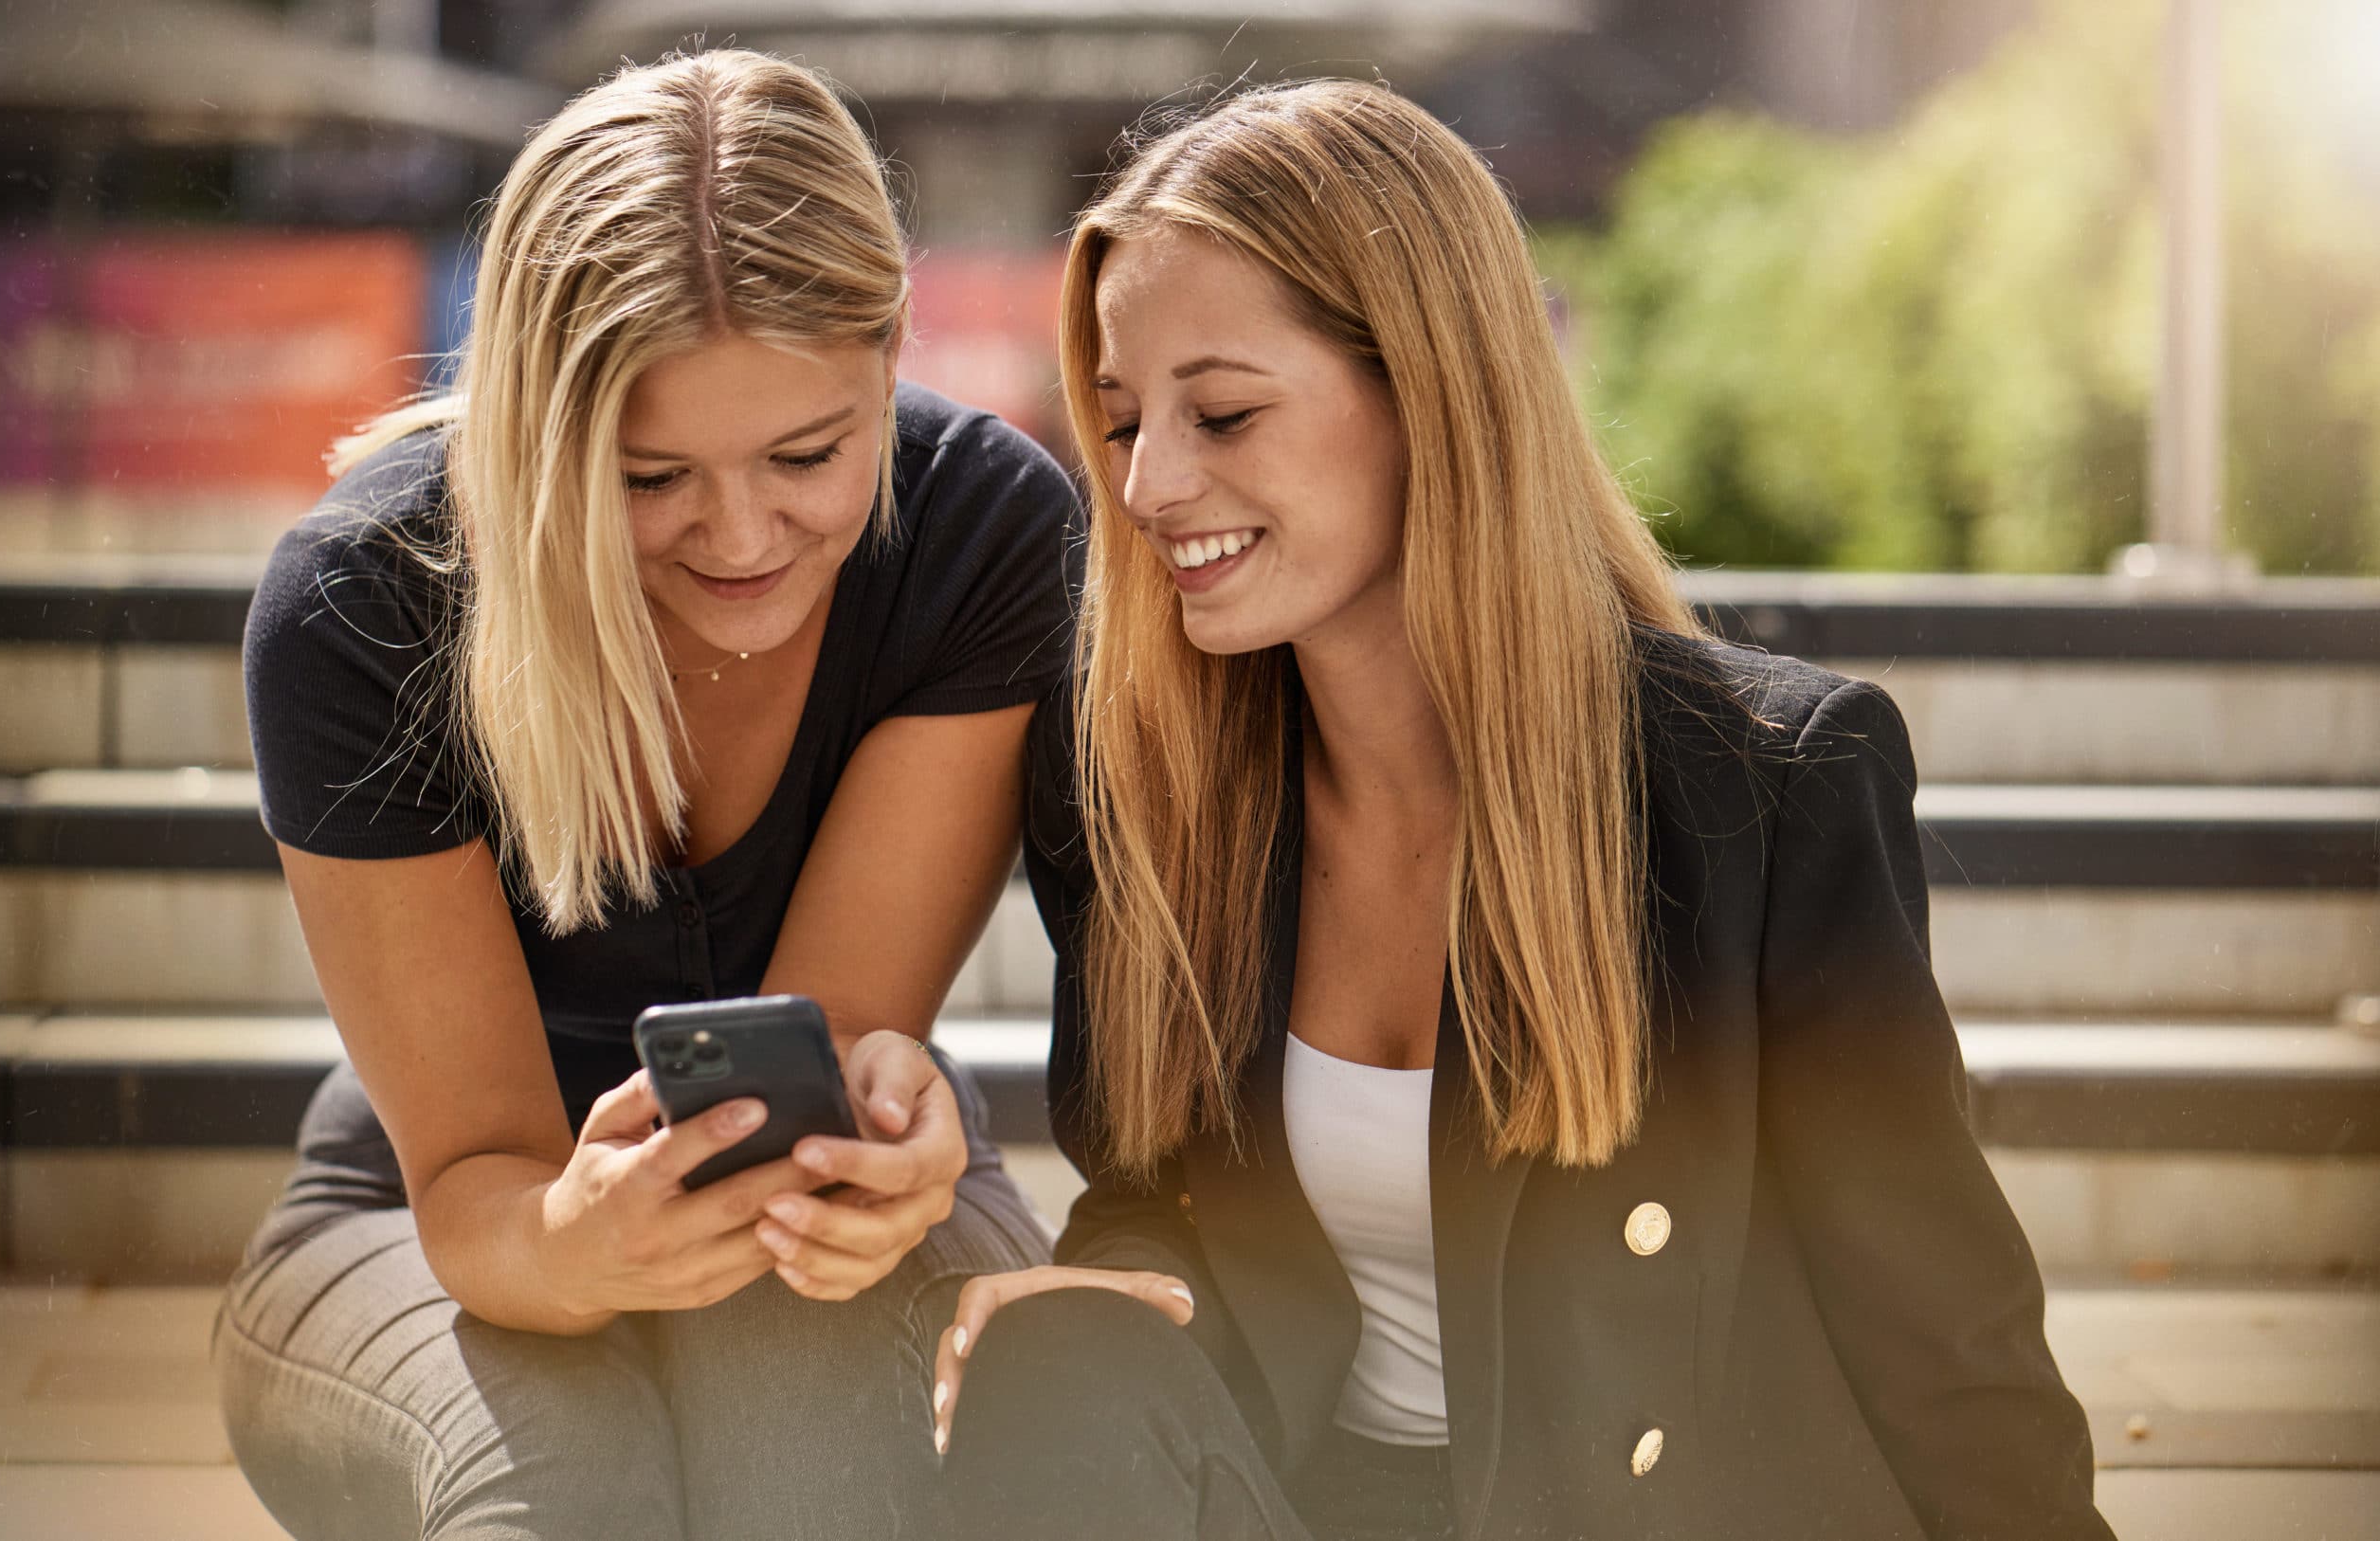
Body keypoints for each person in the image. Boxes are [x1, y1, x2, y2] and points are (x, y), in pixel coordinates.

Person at [930, 81, 2117, 1541]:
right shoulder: (1148, 795)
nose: (1150, 482)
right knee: (1046, 1360)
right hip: (1297, 1507)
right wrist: (1093, 1309)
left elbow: (1943, 1332)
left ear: (1427, 387)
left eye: (1222, 412)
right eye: (1118, 421)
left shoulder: (1762, 786)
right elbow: (1149, 1195)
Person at [214, 49, 1069, 1541]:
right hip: (430, 1219)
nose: (741, 536)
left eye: (810, 453)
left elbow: (801, 1121)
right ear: (539, 428)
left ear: (894, 355)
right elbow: (474, 1186)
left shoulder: (981, 535)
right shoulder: (363, 603)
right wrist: (568, 1246)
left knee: (801, 1421)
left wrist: (891, 1152)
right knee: (568, 1473)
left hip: (841, 1192)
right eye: (646, 475)